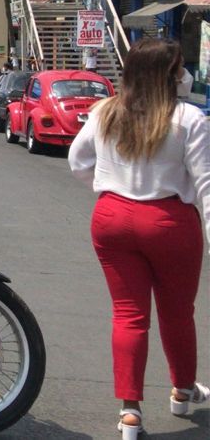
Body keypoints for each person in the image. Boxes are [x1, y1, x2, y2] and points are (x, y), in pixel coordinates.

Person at [68, 38, 210, 439]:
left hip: (112, 217)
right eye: (181, 68)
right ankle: (182, 388)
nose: (185, 74)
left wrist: (109, 184)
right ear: (169, 75)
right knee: (178, 312)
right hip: (167, 221)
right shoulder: (189, 119)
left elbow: (78, 163)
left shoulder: (106, 112)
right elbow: (206, 183)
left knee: (128, 315)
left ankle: (130, 411)